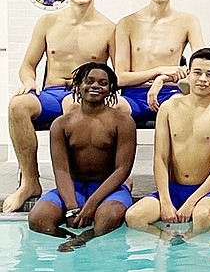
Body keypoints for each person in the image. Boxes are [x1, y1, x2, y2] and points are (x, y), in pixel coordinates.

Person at [6, 0, 117, 213]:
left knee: (72, 105)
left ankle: (75, 184)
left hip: (88, 97)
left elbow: (116, 73)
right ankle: (30, 182)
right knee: (17, 105)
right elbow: (28, 64)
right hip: (51, 92)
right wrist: (29, 81)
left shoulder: (109, 28)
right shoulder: (48, 23)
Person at [125, 49, 210, 243]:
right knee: (135, 217)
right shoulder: (169, 108)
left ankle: (192, 253)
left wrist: (192, 201)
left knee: (202, 216)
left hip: (208, 190)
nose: (203, 79)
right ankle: (174, 242)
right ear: (188, 73)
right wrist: (165, 201)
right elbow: (160, 158)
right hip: (173, 188)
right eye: (197, 72)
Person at [27, 63, 135, 252]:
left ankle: (85, 238)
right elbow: (61, 169)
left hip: (110, 188)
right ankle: (70, 238)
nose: (95, 86)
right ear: (77, 85)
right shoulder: (61, 124)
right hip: (74, 187)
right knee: (38, 218)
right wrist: (71, 207)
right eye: (89, 81)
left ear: (110, 90)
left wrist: (92, 204)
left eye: (103, 83)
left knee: (108, 218)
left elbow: (123, 169)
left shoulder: (123, 122)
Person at [115, 0, 205, 124]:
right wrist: (158, 71)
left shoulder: (188, 21)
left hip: (169, 92)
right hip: (133, 95)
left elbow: (202, 65)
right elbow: (120, 77)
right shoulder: (127, 23)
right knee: (112, 108)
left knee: (181, 108)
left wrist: (161, 79)